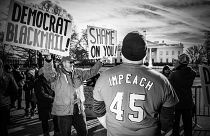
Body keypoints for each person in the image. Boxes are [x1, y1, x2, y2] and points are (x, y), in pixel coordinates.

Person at [93, 31, 179, 136]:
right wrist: (159, 131)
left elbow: (98, 110)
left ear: (122, 52)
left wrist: (111, 127)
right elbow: (168, 117)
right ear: (146, 52)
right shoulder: (162, 81)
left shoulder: (104, 77)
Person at [43, 54, 104, 136]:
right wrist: (48, 60)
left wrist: (100, 62)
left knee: (83, 132)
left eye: (73, 62)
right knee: (65, 134)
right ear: (64, 63)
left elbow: (91, 72)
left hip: (78, 109)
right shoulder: (57, 75)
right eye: (70, 62)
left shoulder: (78, 72)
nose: (72, 64)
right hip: (64, 112)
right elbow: (48, 73)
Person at [170, 53, 196, 136]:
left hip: (176, 102)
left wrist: (176, 68)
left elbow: (169, 84)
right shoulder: (192, 73)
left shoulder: (174, 74)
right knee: (188, 124)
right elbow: (191, 71)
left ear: (180, 62)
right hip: (188, 102)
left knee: (175, 124)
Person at [34, 67, 55, 136]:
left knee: (51, 120)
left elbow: (51, 91)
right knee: (45, 121)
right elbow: (41, 94)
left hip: (49, 104)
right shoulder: (38, 81)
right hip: (43, 104)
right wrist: (53, 98)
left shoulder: (48, 80)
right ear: (43, 73)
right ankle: (46, 134)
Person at [0, 59, 18, 136]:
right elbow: (15, 89)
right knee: (3, 126)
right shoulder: (8, 75)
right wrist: (10, 100)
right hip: (4, 104)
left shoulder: (8, 75)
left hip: (4, 103)